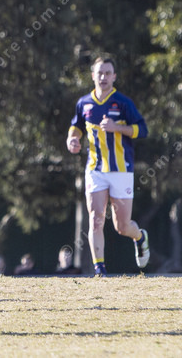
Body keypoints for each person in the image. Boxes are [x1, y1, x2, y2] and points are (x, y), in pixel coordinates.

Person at [67, 57, 149, 276]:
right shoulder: (84, 103)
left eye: (107, 73)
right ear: (93, 76)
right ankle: (100, 270)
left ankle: (140, 237)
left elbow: (142, 130)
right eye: (99, 73)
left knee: (122, 226)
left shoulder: (123, 103)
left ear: (114, 77)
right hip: (95, 169)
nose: (103, 77)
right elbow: (76, 125)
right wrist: (72, 139)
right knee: (96, 219)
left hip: (121, 170)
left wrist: (117, 128)